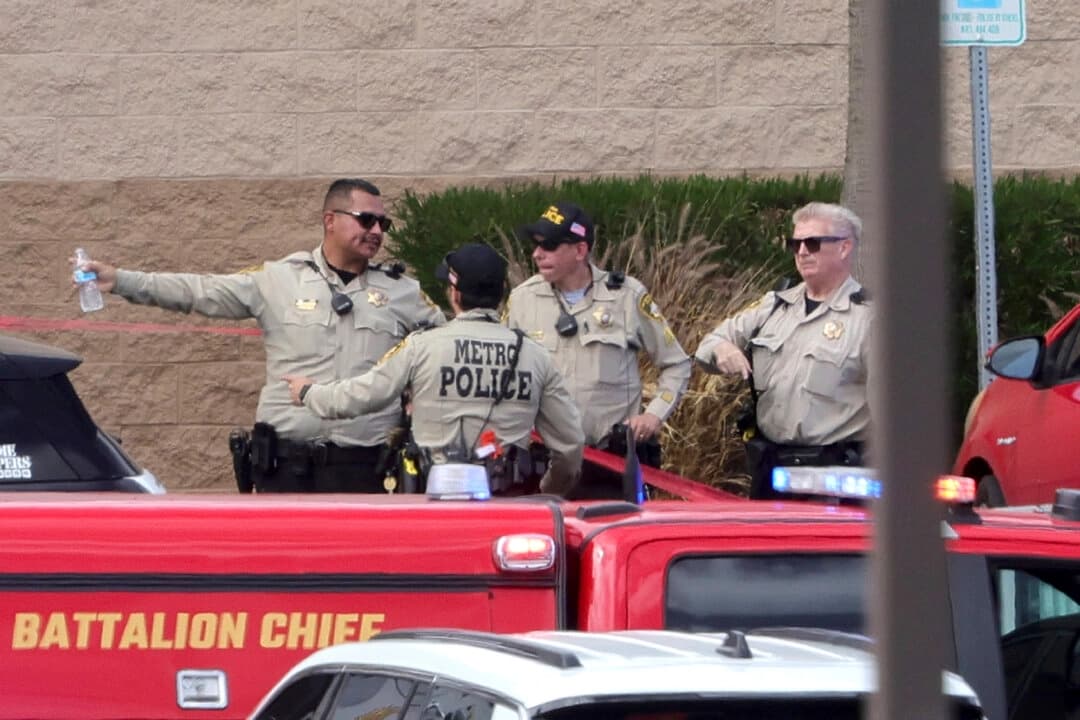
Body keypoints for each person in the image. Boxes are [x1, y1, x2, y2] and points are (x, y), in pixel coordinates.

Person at [83, 178, 446, 493]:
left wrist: (419, 397)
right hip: (287, 464)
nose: (378, 231)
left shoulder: (403, 292)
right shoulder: (278, 278)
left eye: (383, 223)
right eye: (367, 220)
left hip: (366, 466)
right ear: (330, 221)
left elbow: (446, 347)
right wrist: (121, 280)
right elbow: (199, 291)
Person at [284, 243, 584, 497]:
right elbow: (570, 446)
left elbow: (360, 397)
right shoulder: (535, 355)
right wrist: (547, 493)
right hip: (508, 503)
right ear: (502, 292)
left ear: (454, 294)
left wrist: (309, 392)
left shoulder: (422, 346)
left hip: (432, 504)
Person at [695, 202, 873, 499]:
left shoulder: (868, 318)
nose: (802, 252)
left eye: (813, 243)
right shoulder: (774, 306)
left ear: (844, 248)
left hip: (834, 480)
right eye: (795, 243)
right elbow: (707, 345)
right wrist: (723, 348)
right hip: (771, 471)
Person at [505, 202, 690, 467]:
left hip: (609, 461)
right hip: (542, 460)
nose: (537, 254)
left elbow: (677, 364)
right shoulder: (522, 299)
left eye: (549, 246)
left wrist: (653, 416)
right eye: (535, 245)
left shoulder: (626, 296)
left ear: (580, 250)